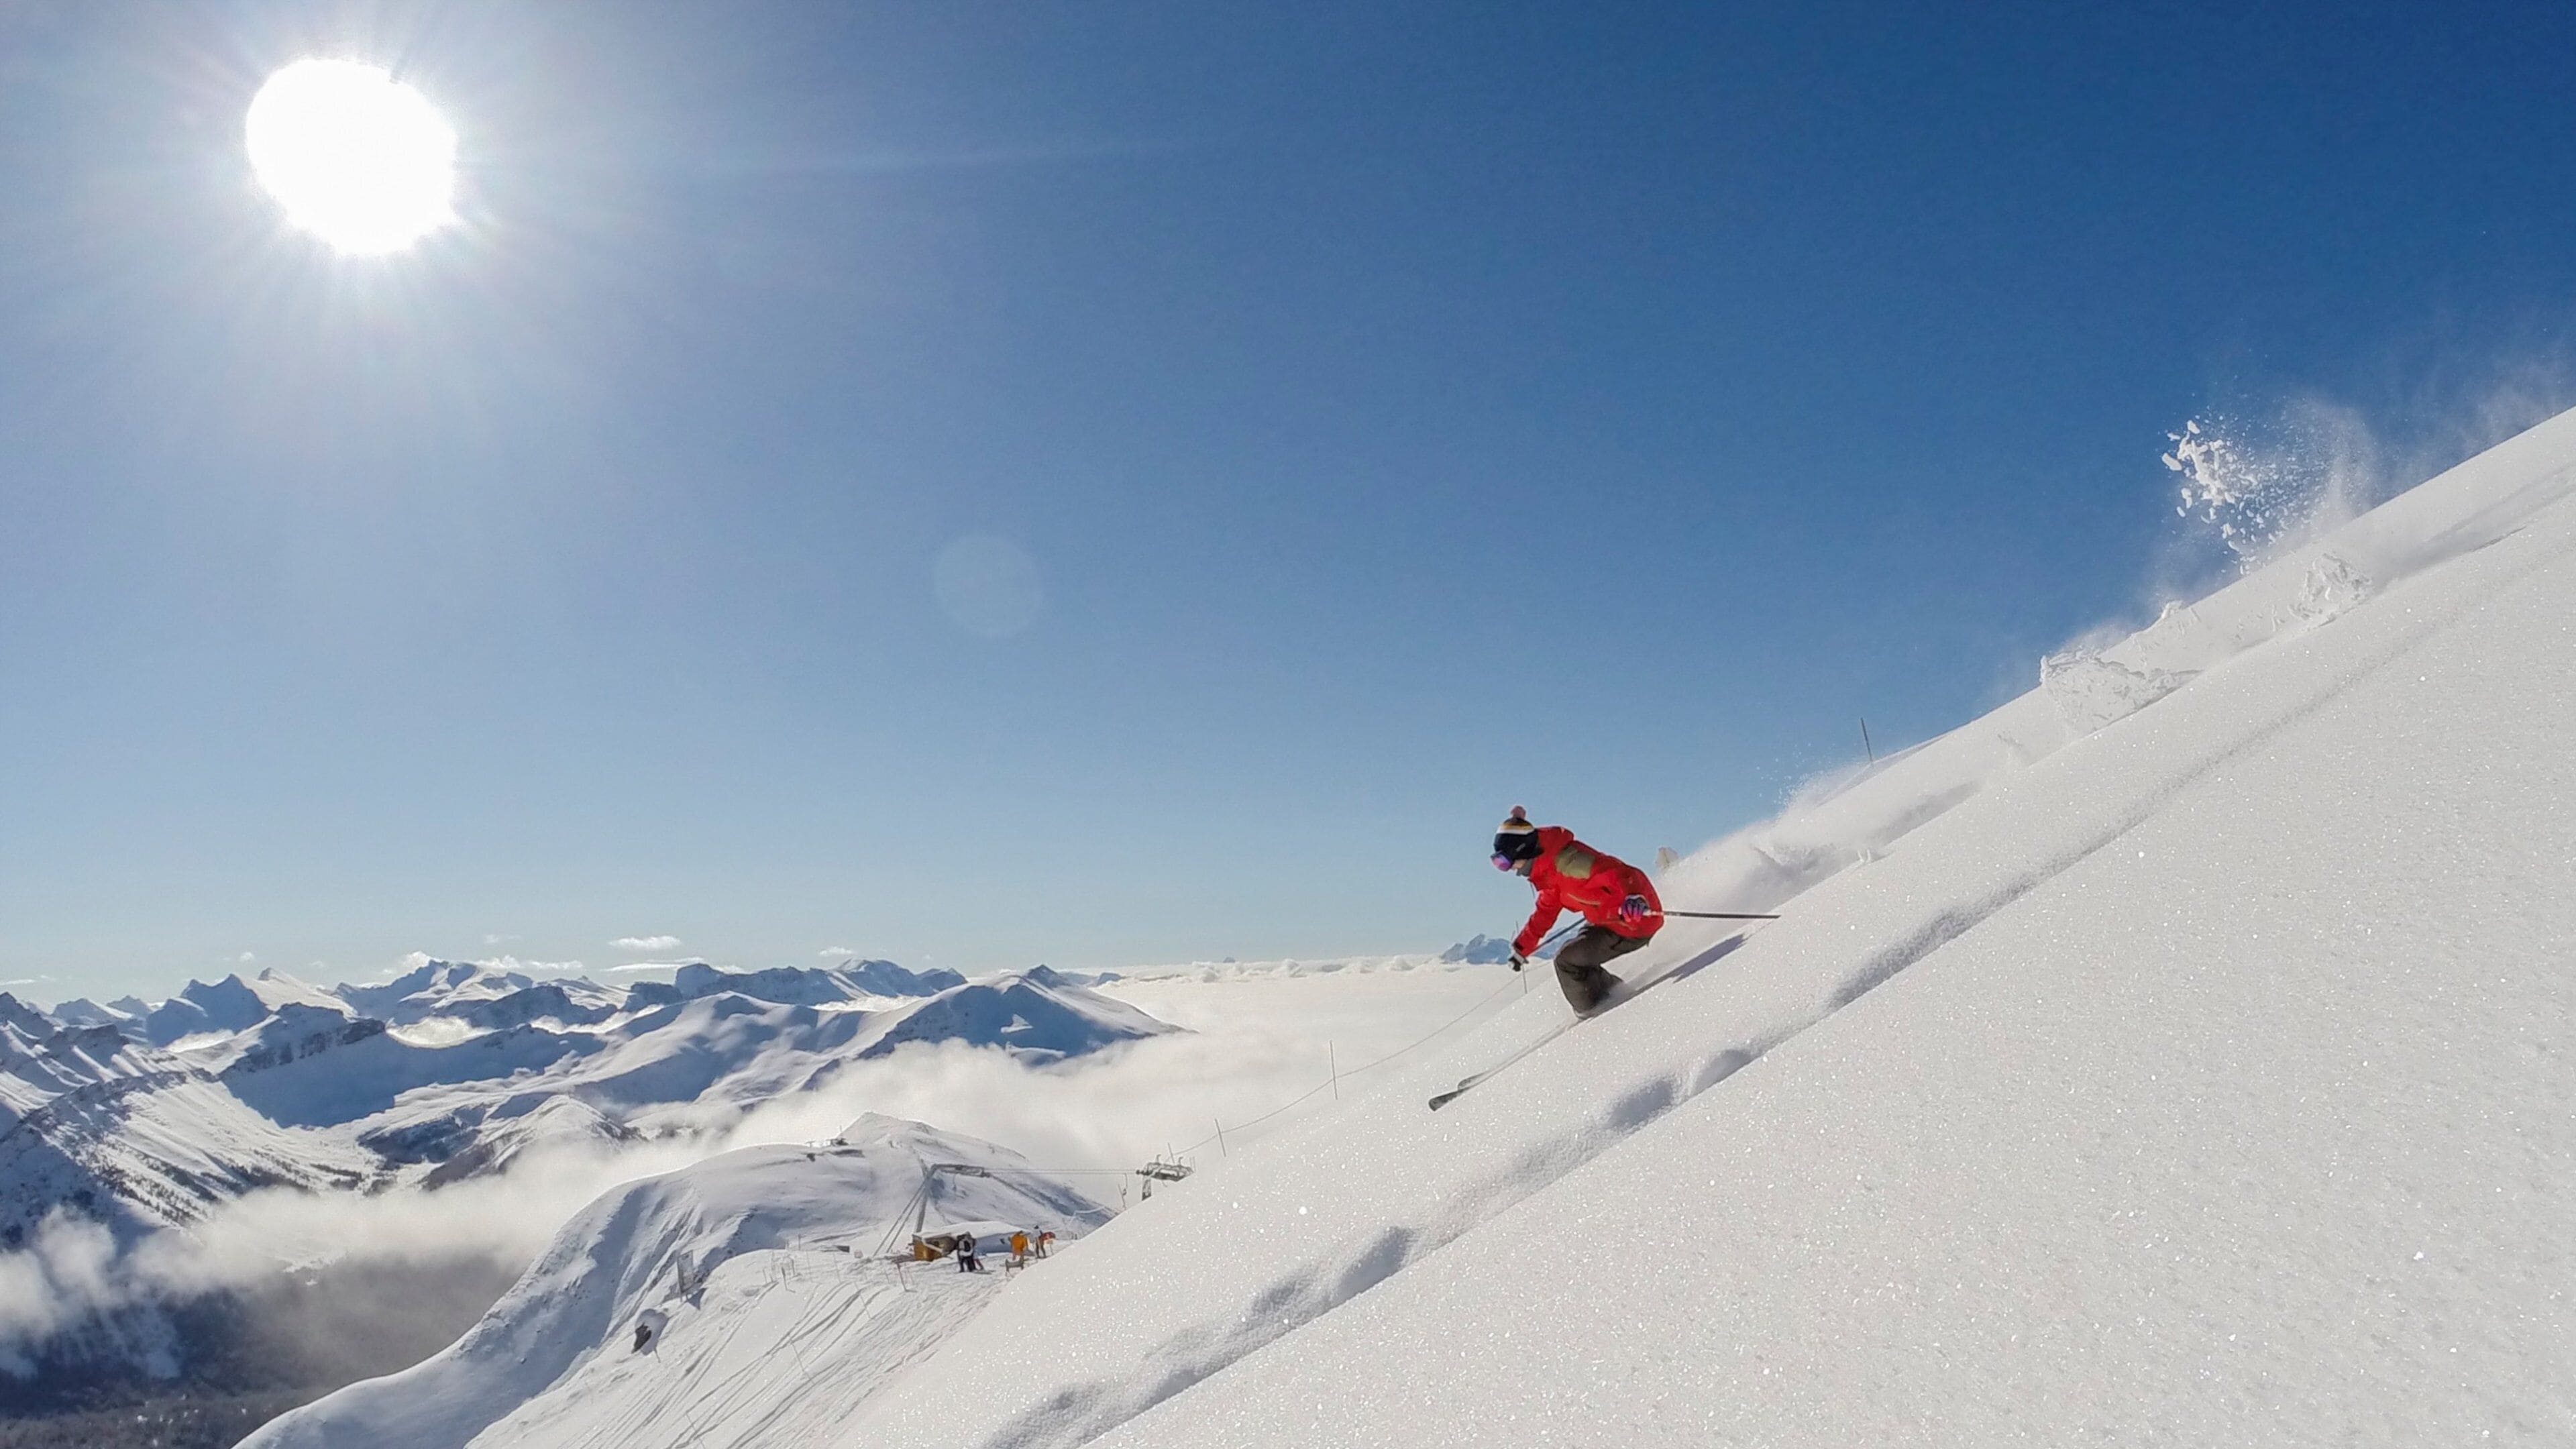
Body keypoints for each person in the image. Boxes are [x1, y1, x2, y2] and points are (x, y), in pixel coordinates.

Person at [1492, 806, 1664, 1013]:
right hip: (1606, 920)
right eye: (1499, 863)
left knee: (1567, 962)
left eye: (1505, 862)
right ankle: (1615, 994)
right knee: (1574, 958)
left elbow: (1620, 873)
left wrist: (1633, 898)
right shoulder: (1550, 873)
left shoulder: (1570, 864)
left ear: (1524, 851)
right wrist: (1522, 948)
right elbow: (1544, 913)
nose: (1509, 868)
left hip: (1634, 921)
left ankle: (1595, 1012)